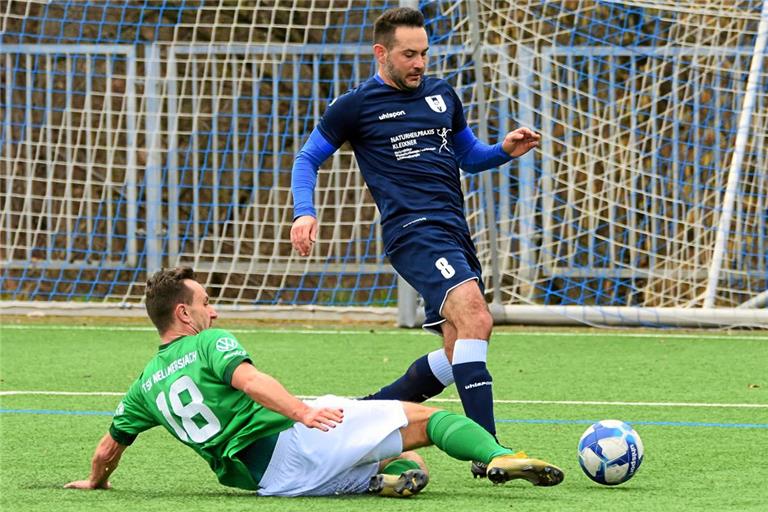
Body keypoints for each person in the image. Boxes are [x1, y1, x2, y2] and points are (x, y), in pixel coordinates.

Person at [290, 7, 541, 477]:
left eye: (424, 53)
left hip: (453, 230)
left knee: (455, 353)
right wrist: (305, 211)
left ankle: (357, 415)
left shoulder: (443, 95)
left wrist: (502, 152)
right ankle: (492, 452)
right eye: (409, 54)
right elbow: (307, 159)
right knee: (476, 316)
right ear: (381, 53)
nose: (419, 63)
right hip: (413, 230)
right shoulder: (355, 106)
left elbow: (467, 155)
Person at [64, 267, 563, 497]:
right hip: (292, 441)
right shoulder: (208, 343)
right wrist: (301, 412)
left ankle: (377, 481)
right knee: (432, 422)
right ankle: (499, 455)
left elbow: (109, 447)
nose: (212, 310)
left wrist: (96, 482)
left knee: (404, 459)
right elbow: (251, 380)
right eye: (205, 303)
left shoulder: (144, 385)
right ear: (183, 313)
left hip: (270, 484)